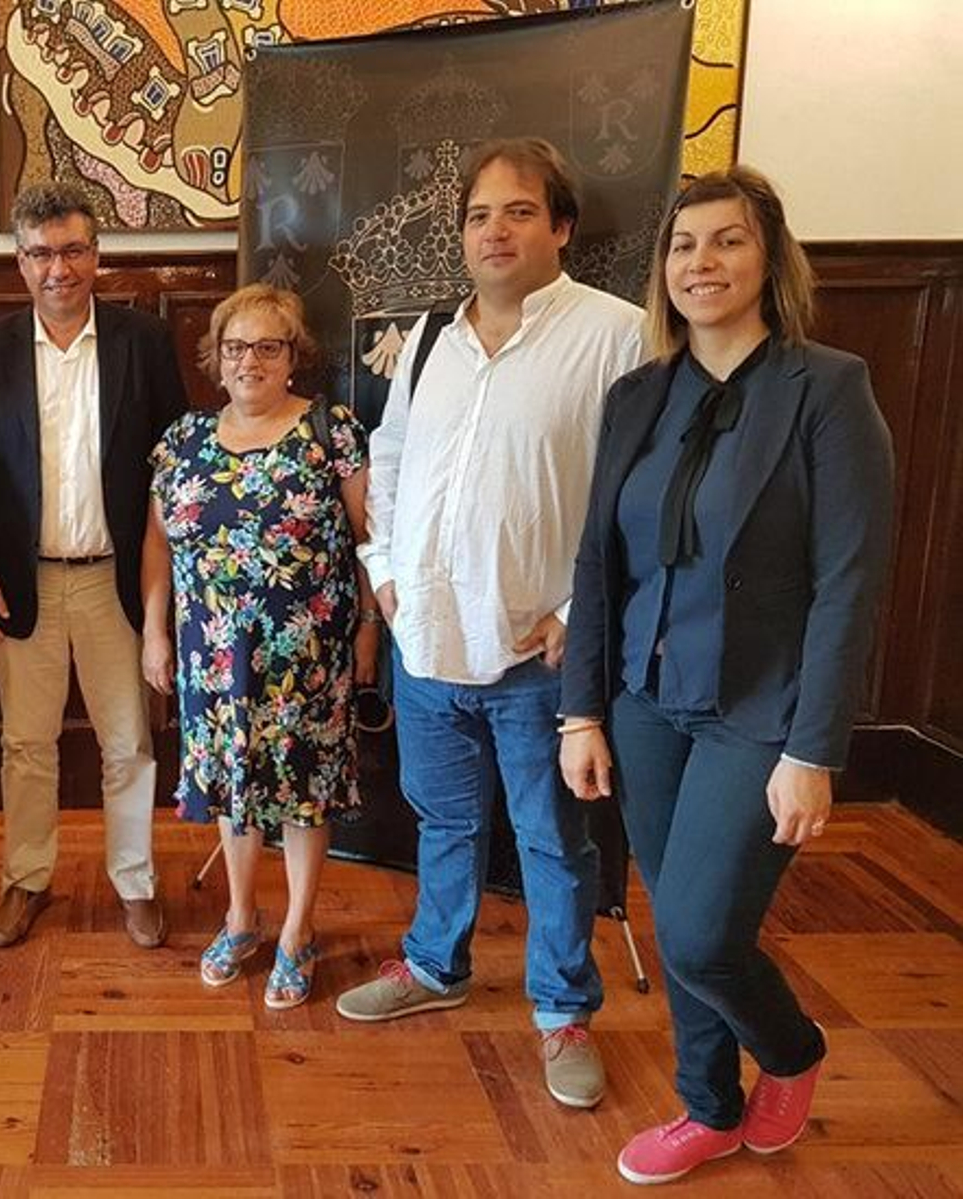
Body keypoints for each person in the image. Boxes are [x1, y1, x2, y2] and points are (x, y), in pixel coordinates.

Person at [559, 166, 894, 1185]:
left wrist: (812, 749)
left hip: (761, 710)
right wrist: (581, 711)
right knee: (676, 919)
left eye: (727, 240)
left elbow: (849, 582)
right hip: (645, 703)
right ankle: (707, 1105)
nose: (700, 262)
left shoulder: (826, 388)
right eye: (683, 244)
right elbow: (597, 561)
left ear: (769, 257)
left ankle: (791, 1051)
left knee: (705, 934)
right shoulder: (636, 397)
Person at [336, 138, 643, 1110]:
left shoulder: (618, 335)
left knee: (553, 841)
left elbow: (639, 493)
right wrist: (384, 571)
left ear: (561, 226)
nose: (494, 231)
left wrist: (576, 612)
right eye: (478, 215)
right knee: (445, 819)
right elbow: (388, 457)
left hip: (536, 656)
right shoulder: (429, 337)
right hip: (428, 639)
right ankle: (437, 964)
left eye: (518, 211)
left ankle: (563, 1010)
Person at [0, 181, 187, 950]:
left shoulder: (142, 342)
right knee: (26, 744)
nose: (59, 268)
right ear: (20, 262)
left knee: (129, 742)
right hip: (21, 583)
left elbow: (172, 468)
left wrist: (166, 591)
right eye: (42, 253)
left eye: (74, 250)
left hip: (116, 579)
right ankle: (26, 877)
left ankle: (135, 881)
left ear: (97, 255)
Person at [141, 284, 378, 1008]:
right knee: (232, 785)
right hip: (210, 654)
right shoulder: (182, 440)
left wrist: (369, 628)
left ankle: (298, 931)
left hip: (308, 655)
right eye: (236, 347)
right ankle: (241, 918)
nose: (250, 361)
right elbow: (157, 543)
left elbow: (369, 541)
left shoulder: (331, 431)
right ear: (216, 357)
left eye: (268, 347)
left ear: (292, 356)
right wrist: (154, 629)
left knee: (305, 791)